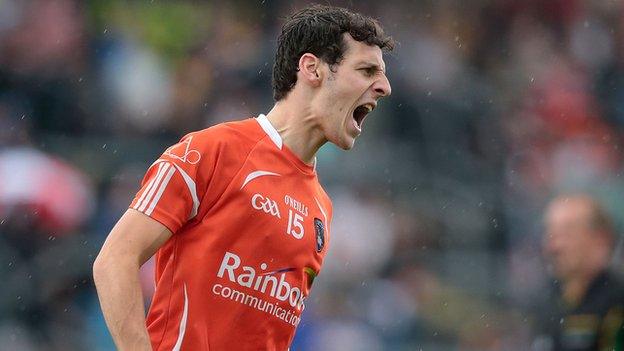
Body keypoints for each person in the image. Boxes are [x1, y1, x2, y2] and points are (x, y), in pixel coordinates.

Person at [93, 5, 393, 351]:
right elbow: (115, 259)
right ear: (312, 68)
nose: (384, 87)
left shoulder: (321, 207)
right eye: (366, 70)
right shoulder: (210, 150)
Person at [533, 194, 624, 351]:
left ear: (601, 239)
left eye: (567, 233)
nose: (554, 246)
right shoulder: (545, 300)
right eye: (549, 233)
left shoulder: (617, 301)